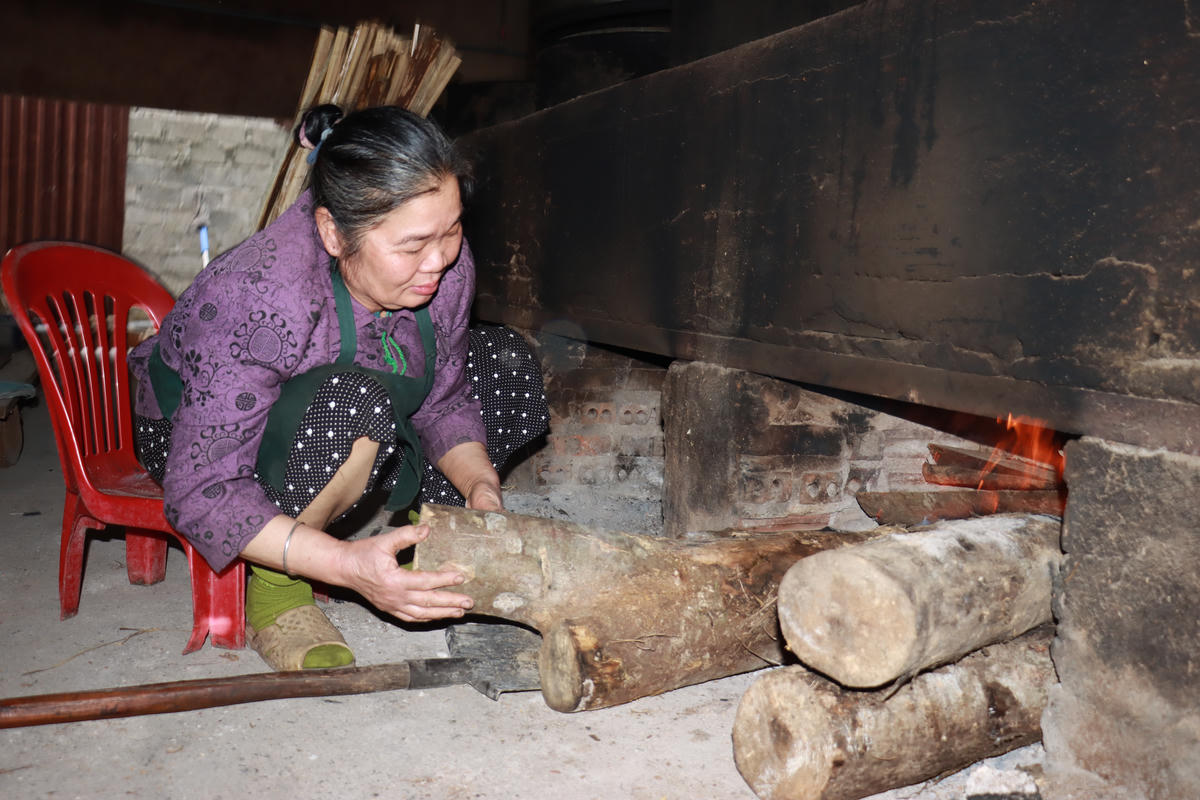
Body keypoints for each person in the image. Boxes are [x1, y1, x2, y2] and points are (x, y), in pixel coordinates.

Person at [128, 104, 549, 671]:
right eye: (412, 245)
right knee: (354, 402)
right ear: (332, 232)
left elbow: (443, 397)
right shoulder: (260, 296)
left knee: (503, 361)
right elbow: (200, 487)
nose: (439, 259)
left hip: (338, 413)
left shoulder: (446, 264)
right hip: (197, 439)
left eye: (452, 230)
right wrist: (345, 567)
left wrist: (481, 487)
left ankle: (434, 542)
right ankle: (279, 588)